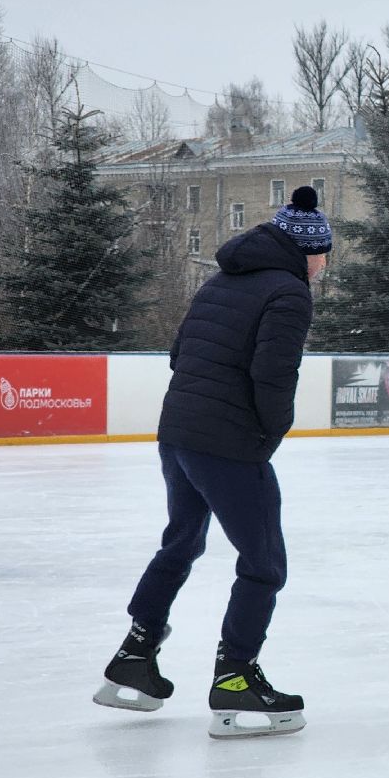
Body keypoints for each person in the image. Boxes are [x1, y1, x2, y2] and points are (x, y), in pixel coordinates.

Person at [93, 185, 331, 739]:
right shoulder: (289, 293)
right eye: (323, 254)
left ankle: (136, 654)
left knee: (182, 541)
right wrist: (268, 434)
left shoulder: (223, 278)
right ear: (307, 251)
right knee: (264, 561)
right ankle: (235, 679)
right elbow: (274, 376)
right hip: (227, 442)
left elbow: (180, 354)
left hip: (178, 432)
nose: (323, 265)